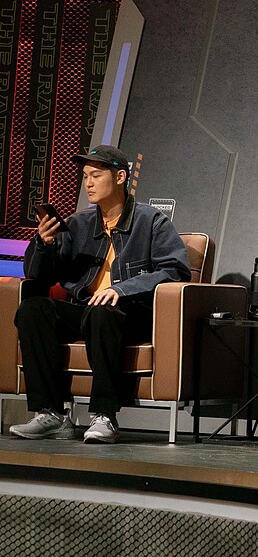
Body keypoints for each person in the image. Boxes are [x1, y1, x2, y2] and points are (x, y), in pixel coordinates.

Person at [10, 145, 191, 444]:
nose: (88, 183)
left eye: (96, 175)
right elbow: (38, 275)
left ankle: (104, 415)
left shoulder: (151, 221)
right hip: (87, 310)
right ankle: (51, 414)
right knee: (32, 309)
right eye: (85, 176)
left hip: (132, 313)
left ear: (120, 177)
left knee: (103, 311)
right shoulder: (78, 224)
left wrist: (121, 289)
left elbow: (175, 270)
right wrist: (44, 244)